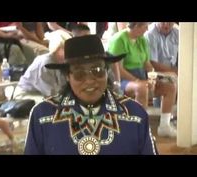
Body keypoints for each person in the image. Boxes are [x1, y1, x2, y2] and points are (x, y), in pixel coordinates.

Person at [24, 35, 158, 155]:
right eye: (79, 73)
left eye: (97, 70)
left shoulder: (135, 114)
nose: (89, 80)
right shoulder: (42, 115)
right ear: (67, 76)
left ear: (107, 72)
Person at [108, 22, 177, 138]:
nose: (147, 29)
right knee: (142, 88)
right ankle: (140, 129)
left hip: (141, 77)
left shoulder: (142, 40)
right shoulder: (119, 39)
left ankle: (164, 126)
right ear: (136, 26)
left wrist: (153, 77)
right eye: (145, 26)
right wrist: (137, 81)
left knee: (170, 86)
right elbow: (117, 68)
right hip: (122, 80)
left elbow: (147, 64)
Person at [13, 31, 71, 104]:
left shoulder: (63, 63)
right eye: (63, 49)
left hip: (46, 95)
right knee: (48, 106)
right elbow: (50, 94)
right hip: (26, 96)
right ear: (56, 48)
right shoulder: (44, 62)